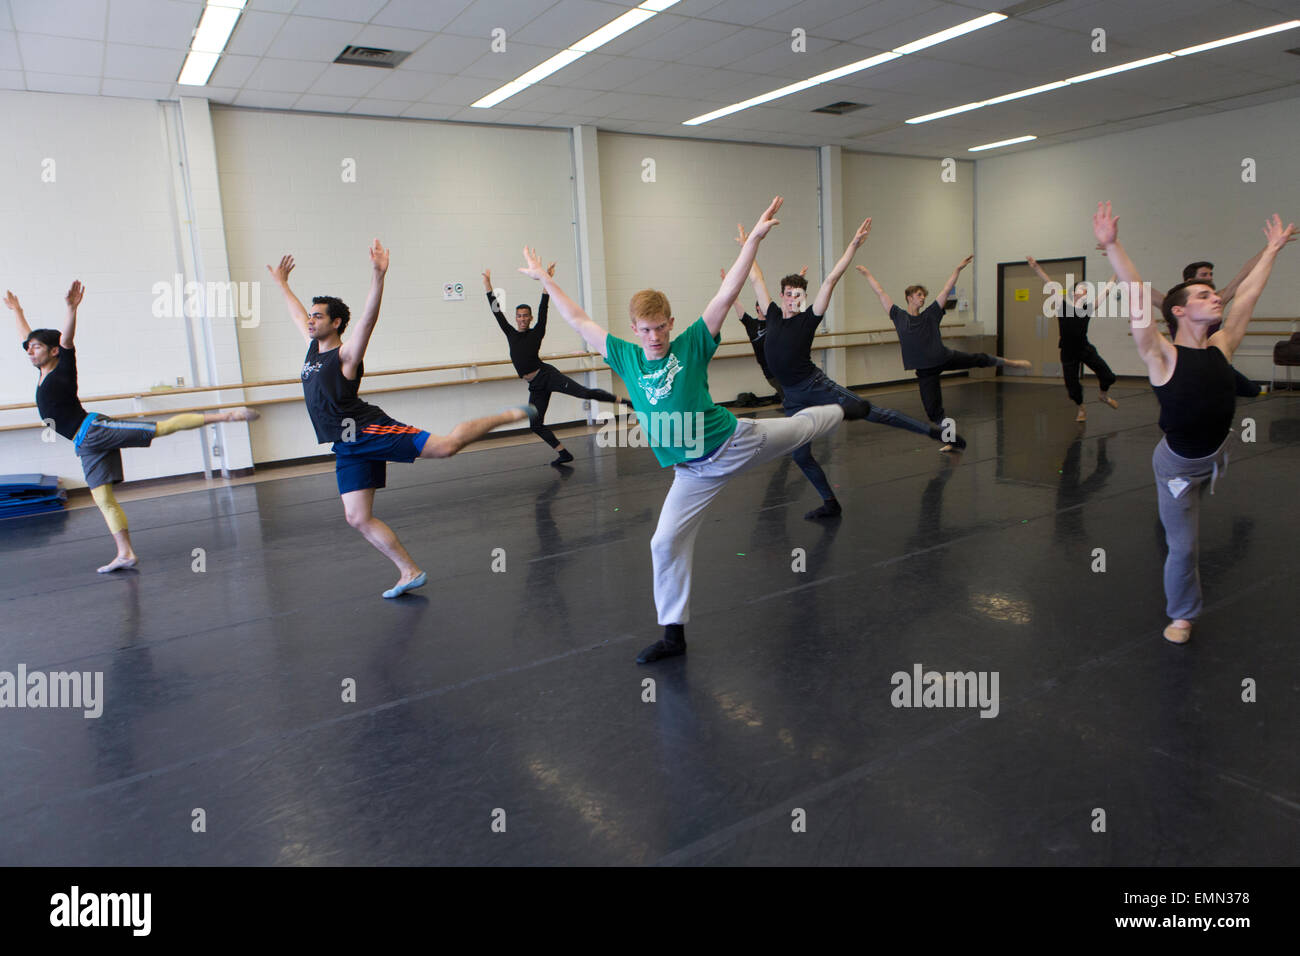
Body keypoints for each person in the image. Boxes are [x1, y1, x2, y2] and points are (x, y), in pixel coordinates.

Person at [517, 197, 859, 664]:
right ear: (634, 329)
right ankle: (673, 636)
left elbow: (726, 293)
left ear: (670, 324)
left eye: (660, 328)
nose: (654, 337)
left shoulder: (693, 343)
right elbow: (577, 320)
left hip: (735, 442)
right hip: (692, 473)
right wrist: (545, 280)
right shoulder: (624, 355)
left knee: (801, 429)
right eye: (645, 330)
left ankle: (841, 409)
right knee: (663, 542)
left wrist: (754, 242)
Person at [268, 242, 535, 599]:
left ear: (336, 323)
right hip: (346, 444)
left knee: (446, 447)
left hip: (368, 429)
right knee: (357, 517)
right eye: (311, 316)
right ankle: (409, 570)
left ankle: (507, 415)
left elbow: (368, 319)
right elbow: (296, 314)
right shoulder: (311, 349)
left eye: (318, 316)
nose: (310, 320)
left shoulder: (346, 355)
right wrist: (284, 285)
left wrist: (378, 276)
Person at [1092, 201, 1294, 644]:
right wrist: (1112, 245)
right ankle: (1181, 615)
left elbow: (1251, 295)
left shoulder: (1222, 346)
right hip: (1178, 469)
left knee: (1195, 510)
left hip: (1216, 454)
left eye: (1213, 292)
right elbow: (1139, 298)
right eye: (1203, 295)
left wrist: (1272, 250)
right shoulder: (1161, 354)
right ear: (1179, 311)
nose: (1215, 295)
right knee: (1183, 546)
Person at [8, 282, 259, 573]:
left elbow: (66, 340)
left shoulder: (63, 367)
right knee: (102, 499)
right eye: (28, 348)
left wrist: (71, 309)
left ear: (52, 351)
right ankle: (125, 553)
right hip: (83, 443)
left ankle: (225, 417)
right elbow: (26, 336)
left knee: (160, 428)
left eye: (36, 347)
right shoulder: (40, 371)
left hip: (94, 429)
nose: (29, 350)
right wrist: (17, 310)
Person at [744, 221, 965, 520]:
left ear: (803, 297)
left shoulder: (809, 318)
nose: (793, 298)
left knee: (873, 412)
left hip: (815, 386)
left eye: (798, 294)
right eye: (788, 293)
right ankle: (831, 504)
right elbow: (755, 277)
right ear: (782, 295)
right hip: (793, 397)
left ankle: (935, 433)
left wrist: (853, 246)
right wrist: (750, 242)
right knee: (800, 454)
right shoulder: (770, 314)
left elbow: (832, 279)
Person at [858, 255, 1031, 449]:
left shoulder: (931, 314)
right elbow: (880, 293)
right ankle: (950, 440)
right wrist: (867, 274)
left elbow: (946, 290)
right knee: (933, 411)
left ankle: (1010, 363)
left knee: (977, 359)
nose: (923, 298)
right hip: (925, 370)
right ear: (909, 297)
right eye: (918, 295)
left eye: (924, 295)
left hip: (943, 358)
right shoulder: (898, 316)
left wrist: (957, 270)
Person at [483, 264, 627, 465]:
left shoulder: (537, 331)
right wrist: (488, 284)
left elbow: (544, 307)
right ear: (516, 318)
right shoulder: (510, 334)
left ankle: (626, 402)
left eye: (526, 316)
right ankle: (563, 453)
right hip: (535, 385)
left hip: (547, 376)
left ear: (530, 318)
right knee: (535, 424)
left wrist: (545, 280)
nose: (523, 319)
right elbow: (497, 313)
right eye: (519, 316)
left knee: (584, 393)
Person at [1151, 245, 1295, 399]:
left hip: (1216, 356)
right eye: (1204, 274)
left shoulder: (1218, 303)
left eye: (1211, 274)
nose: (1209, 278)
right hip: (1185, 362)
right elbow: (1139, 289)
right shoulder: (1172, 303)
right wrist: (1120, 260)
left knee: (1251, 390)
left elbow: (1245, 279)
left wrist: (1271, 248)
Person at [1025, 256, 1120, 421]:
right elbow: (1050, 285)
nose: (1083, 293)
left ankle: (1103, 396)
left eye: (1086, 291)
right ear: (1074, 293)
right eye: (1081, 289)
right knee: (1073, 387)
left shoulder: (1089, 308)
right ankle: (1081, 408)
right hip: (1068, 352)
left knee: (1108, 375)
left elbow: (1107, 290)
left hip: (1084, 348)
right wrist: (1036, 268)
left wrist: (1117, 271)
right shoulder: (1063, 306)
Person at [724, 264, 808, 405]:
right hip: (770, 372)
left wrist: (800, 278)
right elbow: (736, 303)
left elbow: (790, 303)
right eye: (761, 306)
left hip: (784, 366)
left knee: (793, 396)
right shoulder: (750, 323)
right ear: (757, 308)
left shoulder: (774, 318)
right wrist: (728, 285)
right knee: (789, 397)